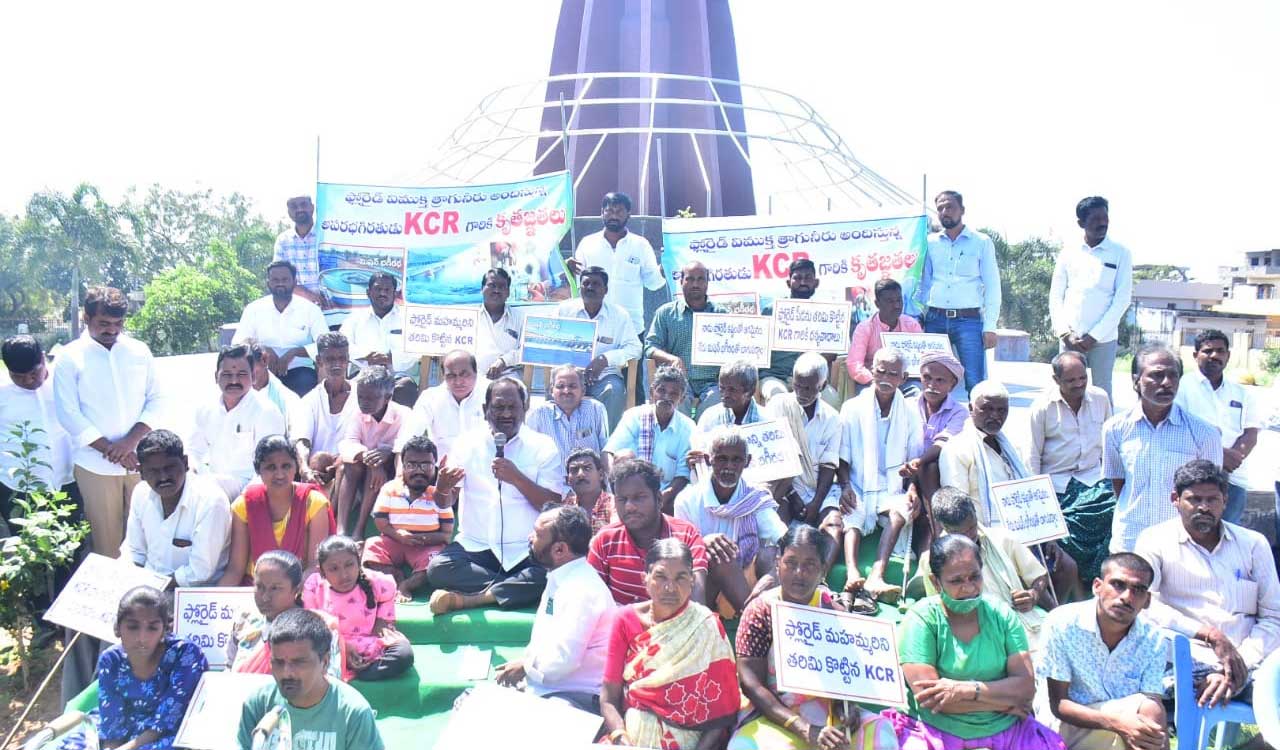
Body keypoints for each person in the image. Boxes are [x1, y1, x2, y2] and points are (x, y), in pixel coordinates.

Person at [887, 535, 1066, 750]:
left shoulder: (1001, 614)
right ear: (936, 582)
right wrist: (1005, 701)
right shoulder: (921, 619)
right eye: (956, 581)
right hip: (936, 731)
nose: (969, 588)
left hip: (1008, 730)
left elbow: (1026, 688)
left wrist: (964, 690)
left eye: (975, 577)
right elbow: (931, 700)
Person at [729, 526, 898, 750]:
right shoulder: (760, 611)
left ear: (823, 569)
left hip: (825, 712)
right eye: (791, 562)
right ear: (778, 563)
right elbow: (751, 684)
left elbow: (845, 673)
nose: (799, 572)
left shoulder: (832, 608)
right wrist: (803, 728)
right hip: (774, 715)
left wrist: (846, 707)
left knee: (882, 735)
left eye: (810, 565)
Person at [1135, 459, 1280, 708]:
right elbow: (1144, 604)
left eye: (1212, 500)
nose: (1203, 507)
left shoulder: (1253, 544)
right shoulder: (1154, 541)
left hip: (1248, 661)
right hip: (1183, 659)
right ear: (1175, 500)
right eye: (1194, 499)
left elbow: (1274, 617)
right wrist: (1211, 636)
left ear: (1225, 501)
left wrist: (1237, 664)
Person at [425, 377, 563, 614]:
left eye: (513, 407)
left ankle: (475, 598)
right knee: (438, 569)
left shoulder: (542, 445)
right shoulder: (467, 443)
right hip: (477, 548)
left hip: (526, 549)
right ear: (485, 410)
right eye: (499, 407)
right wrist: (443, 488)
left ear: (525, 409)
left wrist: (517, 478)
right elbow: (444, 502)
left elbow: (551, 505)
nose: (506, 414)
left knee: (551, 574)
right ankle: (513, 588)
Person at [600, 539, 740, 749]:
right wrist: (622, 739)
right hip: (629, 739)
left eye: (680, 578)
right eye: (660, 577)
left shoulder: (706, 625)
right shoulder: (625, 619)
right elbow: (609, 698)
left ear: (692, 581)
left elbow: (722, 714)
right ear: (644, 579)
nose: (670, 587)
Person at [54, 285, 161, 556]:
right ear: (86, 318)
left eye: (118, 323)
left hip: (140, 461)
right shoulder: (69, 357)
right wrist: (111, 450)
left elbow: (158, 399)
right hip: (95, 466)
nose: (112, 330)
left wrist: (129, 444)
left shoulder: (139, 351)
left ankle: (147, 599)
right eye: (104, 323)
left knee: (147, 541)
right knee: (107, 547)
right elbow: (68, 414)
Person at [1037, 553, 1168, 750]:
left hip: (1125, 725)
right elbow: (1059, 705)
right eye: (1118, 584)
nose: (1126, 597)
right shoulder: (1062, 623)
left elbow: (1152, 703)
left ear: (1147, 600)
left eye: (1138, 590)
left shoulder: (1153, 638)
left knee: (1150, 708)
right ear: (1097, 586)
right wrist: (1117, 723)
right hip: (1066, 726)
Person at [494, 504, 616, 713]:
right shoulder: (560, 575)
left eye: (538, 534)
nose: (530, 537)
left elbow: (561, 663)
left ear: (560, 550)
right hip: (549, 688)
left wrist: (526, 667)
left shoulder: (581, 591)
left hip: (577, 697)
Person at [1103, 344, 1222, 552]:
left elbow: (1212, 493)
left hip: (1181, 544)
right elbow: (1119, 484)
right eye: (1157, 375)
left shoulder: (1204, 433)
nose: (1166, 383)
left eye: (1173, 376)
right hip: (1131, 539)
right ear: (1136, 381)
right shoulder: (1115, 428)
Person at [838, 348, 923, 606]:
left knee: (900, 513)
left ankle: (877, 575)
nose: (885, 377)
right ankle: (852, 572)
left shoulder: (909, 413)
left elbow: (915, 459)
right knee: (852, 513)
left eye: (893, 373)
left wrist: (913, 489)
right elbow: (842, 456)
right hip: (858, 482)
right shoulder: (852, 407)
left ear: (904, 377)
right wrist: (845, 486)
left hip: (893, 487)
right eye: (881, 371)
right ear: (871, 371)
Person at [921, 488, 1055, 649]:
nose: (969, 536)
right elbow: (938, 610)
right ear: (944, 527)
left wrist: (1033, 594)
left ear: (975, 514)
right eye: (959, 533)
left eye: (971, 527)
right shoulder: (931, 560)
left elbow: (1039, 576)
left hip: (1024, 629)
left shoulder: (1003, 538)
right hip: (974, 640)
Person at [675, 428, 785, 618]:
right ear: (709, 460)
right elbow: (679, 554)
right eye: (722, 459)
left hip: (745, 582)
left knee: (773, 554)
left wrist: (770, 578)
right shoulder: (687, 499)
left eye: (736, 460)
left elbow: (783, 539)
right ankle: (754, 619)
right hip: (701, 587)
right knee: (720, 555)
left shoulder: (754, 497)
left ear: (747, 462)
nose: (729, 467)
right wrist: (702, 544)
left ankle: (756, 612)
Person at [237, 608, 383, 750]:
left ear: (325, 662)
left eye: (299, 662)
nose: (287, 673)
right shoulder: (257, 703)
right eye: (279, 662)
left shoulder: (353, 712)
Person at [89, 586, 207, 750]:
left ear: (165, 629)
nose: (142, 638)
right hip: (124, 732)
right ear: (117, 628)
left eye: (152, 628)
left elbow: (167, 721)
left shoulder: (185, 655)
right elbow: (112, 726)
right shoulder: (111, 660)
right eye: (132, 627)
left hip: (169, 735)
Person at [589, 458, 709, 606]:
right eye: (622, 499)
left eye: (639, 498)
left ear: (659, 499)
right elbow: (592, 599)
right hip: (623, 625)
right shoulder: (605, 540)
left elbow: (697, 598)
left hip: (676, 625)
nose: (629, 507)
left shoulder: (686, 535)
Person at [121, 430, 232, 588]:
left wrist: (150, 590)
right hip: (148, 589)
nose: (163, 477)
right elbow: (135, 553)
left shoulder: (211, 501)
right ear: (141, 473)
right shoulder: (141, 493)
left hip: (194, 596)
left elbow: (199, 573)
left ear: (185, 463)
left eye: (170, 467)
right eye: (153, 471)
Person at [916, 190, 1001, 393]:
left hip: (969, 321)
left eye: (950, 207)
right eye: (941, 208)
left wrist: (990, 326)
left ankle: (977, 424)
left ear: (962, 210)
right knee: (931, 379)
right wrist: (919, 315)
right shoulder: (930, 243)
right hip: (935, 319)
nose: (945, 211)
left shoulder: (981, 242)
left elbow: (992, 285)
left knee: (975, 382)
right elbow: (924, 282)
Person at [1049, 196, 1133, 402]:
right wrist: (1065, 333)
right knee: (1066, 392)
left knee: (1102, 394)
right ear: (1081, 223)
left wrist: (1093, 336)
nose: (1102, 223)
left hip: (1103, 340)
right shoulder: (1068, 252)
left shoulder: (1120, 253)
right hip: (1071, 339)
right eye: (1095, 219)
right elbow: (1056, 296)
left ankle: (1104, 435)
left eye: (1105, 218)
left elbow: (1122, 300)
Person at [220, 436, 334, 585]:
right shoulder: (245, 505)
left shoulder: (313, 502)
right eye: (271, 467)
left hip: (300, 589)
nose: (280, 474)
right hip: (256, 590)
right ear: (258, 470)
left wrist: (285, 594)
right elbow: (235, 569)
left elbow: (315, 567)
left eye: (286, 466)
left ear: (296, 467)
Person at [1174, 329, 1261, 524]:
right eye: (1208, 351)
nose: (1215, 355)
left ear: (1228, 356)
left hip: (1234, 478)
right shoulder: (1182, 389)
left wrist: (1233, 458)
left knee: (1228, 537)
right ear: (1195, 355)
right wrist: (1219, 458)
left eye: (1221, 351)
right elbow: (1179, 431)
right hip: (1194, 478)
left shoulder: (1242, 393)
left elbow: (1251, 433)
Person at [304, 535, 414, 681]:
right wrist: (343, 647)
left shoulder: (374, 581)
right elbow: (312, 623)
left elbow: (389, 593)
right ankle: (348, 670)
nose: (344, 575)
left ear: (358, 562)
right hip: (334, 645)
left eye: (349, 565)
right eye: (334, 569)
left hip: (369, 643)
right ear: (322, 571)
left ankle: (359, 671)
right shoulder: (314, 587)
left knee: (404, 653)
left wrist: (382, 619)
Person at [363, 435, 458, 600]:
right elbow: (381, 522)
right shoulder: (390, 489)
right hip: (394, 540)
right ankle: (394, 575)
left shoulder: (439, 495)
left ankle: (406, 585)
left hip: (426, 545)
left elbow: (446, 534)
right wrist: (398, 535)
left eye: (425, 465)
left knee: (437, 560)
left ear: (434, 467)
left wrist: (420, 538)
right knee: (371, 546)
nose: (418, 470)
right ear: (403, 466)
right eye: (412, 465)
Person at [189, 344, 287, 500]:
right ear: (216, 377)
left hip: (252, 488)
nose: (234, 380)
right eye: (227, 374)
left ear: (253, 377)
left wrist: (243, 502)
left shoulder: (266, 411)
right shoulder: (205, 409)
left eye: (241, 374)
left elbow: (271, 466)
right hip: (212, 486)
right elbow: (194, 451)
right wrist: (191, 472)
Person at [227, 550, 344, 679]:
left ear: (297, 589)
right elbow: (229, 669)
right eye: (259, 587)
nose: (265, 597)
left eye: (275, 588)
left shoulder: (320, 627)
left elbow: (331, 679)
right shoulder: (244, 621)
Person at [1, 335, 75, 529]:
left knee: (72, 544)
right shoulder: (2, 392)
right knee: (26, 549)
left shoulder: (65, 382)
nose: (27, 380)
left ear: (43, 358)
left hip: (68, 481)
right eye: (18, 376)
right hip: (18, 487)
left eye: (34, 373)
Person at [556, 265, 642, 430]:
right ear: (580, 287)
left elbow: (635, 348)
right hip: (569, 375)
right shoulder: (564, 310)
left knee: (614, 390)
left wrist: (605, 359)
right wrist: (571, 371)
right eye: (586, 283)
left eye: (596, 284)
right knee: (557, 389)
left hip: (604, 376)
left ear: (605, 289)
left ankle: (606, 447)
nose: (590, 287)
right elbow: (550, 342)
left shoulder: (619, 315)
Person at [569, 191, 665, 335]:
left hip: (631, 328)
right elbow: (578, 283)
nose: (614, 216)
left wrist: (665, 267)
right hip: (593, 326)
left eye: (619, 211)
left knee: (631, 359)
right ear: (602, 212)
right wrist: (567, 268)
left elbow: (653, 283)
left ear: (628, 214)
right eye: (609, 211)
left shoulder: (641, 245)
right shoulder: (587, 243)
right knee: (595, 359)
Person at [766, 352, 843, 530]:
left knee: (834, 527)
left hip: (818, 491)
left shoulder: (832, 419)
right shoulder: (777, 406)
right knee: (776, 529)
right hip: (784, 488)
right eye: (797, 385)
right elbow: (772, 459)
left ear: (822, 386)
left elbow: (828, 466)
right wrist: (792, 496)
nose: (801, 393)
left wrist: (816, 504)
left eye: (808, 388)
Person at [605, 365, 695, 511]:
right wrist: (615, 488)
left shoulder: (688, 428)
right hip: (629, 493)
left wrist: (660, 499)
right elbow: (608, 453)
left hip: (665, 499)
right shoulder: (634, 416)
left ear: (682, 398)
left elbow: (683, 475)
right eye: (661, 391)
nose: (666, 397)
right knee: (624, 455)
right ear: (652, 391)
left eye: (673, 394)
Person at [232, 261, 329, 396]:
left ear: (294, 282)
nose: (280, 283)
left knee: (305, 389)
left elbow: (326, 345)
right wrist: (263, 349)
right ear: (268, 283)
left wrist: (294, 352)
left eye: (285, 279)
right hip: (262, 369)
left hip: (300, 369)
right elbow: (238, 342)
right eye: (275, 280)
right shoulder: (254, 309)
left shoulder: (310, 309)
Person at [335, 365, 411, 536]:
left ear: (387, 398)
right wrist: (367, 456)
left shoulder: (404, 415)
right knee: (350, 465)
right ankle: (341, 529)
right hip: (363, 468)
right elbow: (348, 444)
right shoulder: (356, 412)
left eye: (371, 398)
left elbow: (404, 448)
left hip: (390, 472)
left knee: (375, 467)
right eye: (360, 396)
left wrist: (388, 453)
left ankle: (359, 529)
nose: (364, 402)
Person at [939, 380, 1026, 527]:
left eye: (1001, 410)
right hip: (982, 534)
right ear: (971, 408)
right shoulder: (957, 449)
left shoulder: (1012, 447)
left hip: (1020, 530)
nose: (995, 416)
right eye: (987, 409)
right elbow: (957, 508)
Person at [1028, 351, 1112, 496]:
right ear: (1056, 380)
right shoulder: (1042, 406)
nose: (1079, 384)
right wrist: (1036, 493)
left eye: (1083, 378)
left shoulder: (1100, 398)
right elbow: (1032, 455)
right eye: (1071, 380)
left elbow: (1109, 446)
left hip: (1093, 479)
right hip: (1057, 484)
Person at [645, 260, 723, 414]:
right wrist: (672, 359)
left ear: (707, 283)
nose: (695, 284)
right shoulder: (666, 313)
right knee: (674, 402)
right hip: (677, 381)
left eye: (700, 279)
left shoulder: (721, 314)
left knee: (718, 403)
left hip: (712, 384)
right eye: (690, 279)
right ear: (681, 281)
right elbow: (650, 347)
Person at [759, 259, 836, 404]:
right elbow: (758, 348)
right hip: (776, 376)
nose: (803, 282)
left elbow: (831, 354)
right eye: (797, 278)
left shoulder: (827, 315)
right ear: (789, 283)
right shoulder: (772, 310)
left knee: (832, 398)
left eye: (808, 278)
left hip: (812, 379)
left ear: (816, 283)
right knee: (778, 398)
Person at [292, 332, 359, 491]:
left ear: (348, 359)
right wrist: (304, 468)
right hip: (318, 470)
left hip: (350, 469)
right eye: (330, 359)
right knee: (318, 459)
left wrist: (339, 462)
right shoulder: (309, 401)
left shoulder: (361, 396)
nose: (337, 364)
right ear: (319, 361)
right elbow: (302, 441)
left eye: (342, 358)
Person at [338, 271, 417, 404]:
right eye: (378, 289)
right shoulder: (355, 318)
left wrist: (391, 358)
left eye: (387, 289)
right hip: (362, 374)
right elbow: (342, 345)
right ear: (368, 292)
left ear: (395, 293)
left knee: (405, 387)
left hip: (397, 376)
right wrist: (367, 356)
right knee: (355, 389)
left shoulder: (408, 318)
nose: (383, 293)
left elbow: (417, 348)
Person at [405, 349, 489, 459]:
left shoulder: (493, 394)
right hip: (444, 470)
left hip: (485, 467)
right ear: (443, 376)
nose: (458, 382)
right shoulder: (430, 398)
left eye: (464, 375)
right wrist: (399, 474)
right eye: (451, 376)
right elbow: (408, 436)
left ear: (476, 373)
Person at [525, 364, 610, 468]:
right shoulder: (538, 414)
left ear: (583, 390)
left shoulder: (595, 409)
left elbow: (605, 449)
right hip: (552, 481)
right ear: (551, 391)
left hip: (587, 481)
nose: (566, 391)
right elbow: (528, 454)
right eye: (560, 386)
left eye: (572, 386)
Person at [847, 277, 925, 391]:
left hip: (906, 380)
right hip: (873, 381)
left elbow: (922, 358)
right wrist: (877, 380)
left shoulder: (912, 325)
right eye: (890, 301)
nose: (897, 306)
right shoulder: (864, 328)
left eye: (899, 300)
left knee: (916, 395)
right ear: (877, 304)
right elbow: (855, 364)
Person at [912, 351, 968, 504]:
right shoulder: (907, 405)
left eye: (940, 380)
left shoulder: (959, 412)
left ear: (952, 385)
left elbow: (942, 443)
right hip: (907, 468)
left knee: (928, 468)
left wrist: (919, 462)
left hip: (938, 472)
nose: (931, 385)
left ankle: (935, 522)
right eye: (927, 378)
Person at [272, 195, 328, 307]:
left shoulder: (327, 236)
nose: (299, 209)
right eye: (294, 206)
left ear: (312, 208)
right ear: (289, 212)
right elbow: (278, 278)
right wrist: (308, 295)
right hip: (296, 310)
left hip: (330, 308)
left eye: (303, 204)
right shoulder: (283, 241)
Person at [475, 267, 527, 379]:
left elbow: (526, 350)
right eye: (492, 285)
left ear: (508, 292)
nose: (497, 291)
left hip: (508, 377)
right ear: (482, 289)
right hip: (473, 377)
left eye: (502, 287)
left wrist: (504, 361)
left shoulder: (521, 318)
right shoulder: (470, 317)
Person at [696, 360, 765, 433]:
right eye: (722, 388)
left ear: (750, 391)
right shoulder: (710, 418)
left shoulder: (767, 421)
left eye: (732, 389)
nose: (725, 394)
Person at [245, 338, 302, 425]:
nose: (245, 373)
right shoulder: (232, 397)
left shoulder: (289, 401)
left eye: (250, 366)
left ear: (265, 360)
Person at [563, 448, 616, 533]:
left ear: (601, 475)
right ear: (567, 480)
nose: (580, 474)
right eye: (574, 470)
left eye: (587, 468)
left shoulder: (614, 504)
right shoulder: (565, 507)